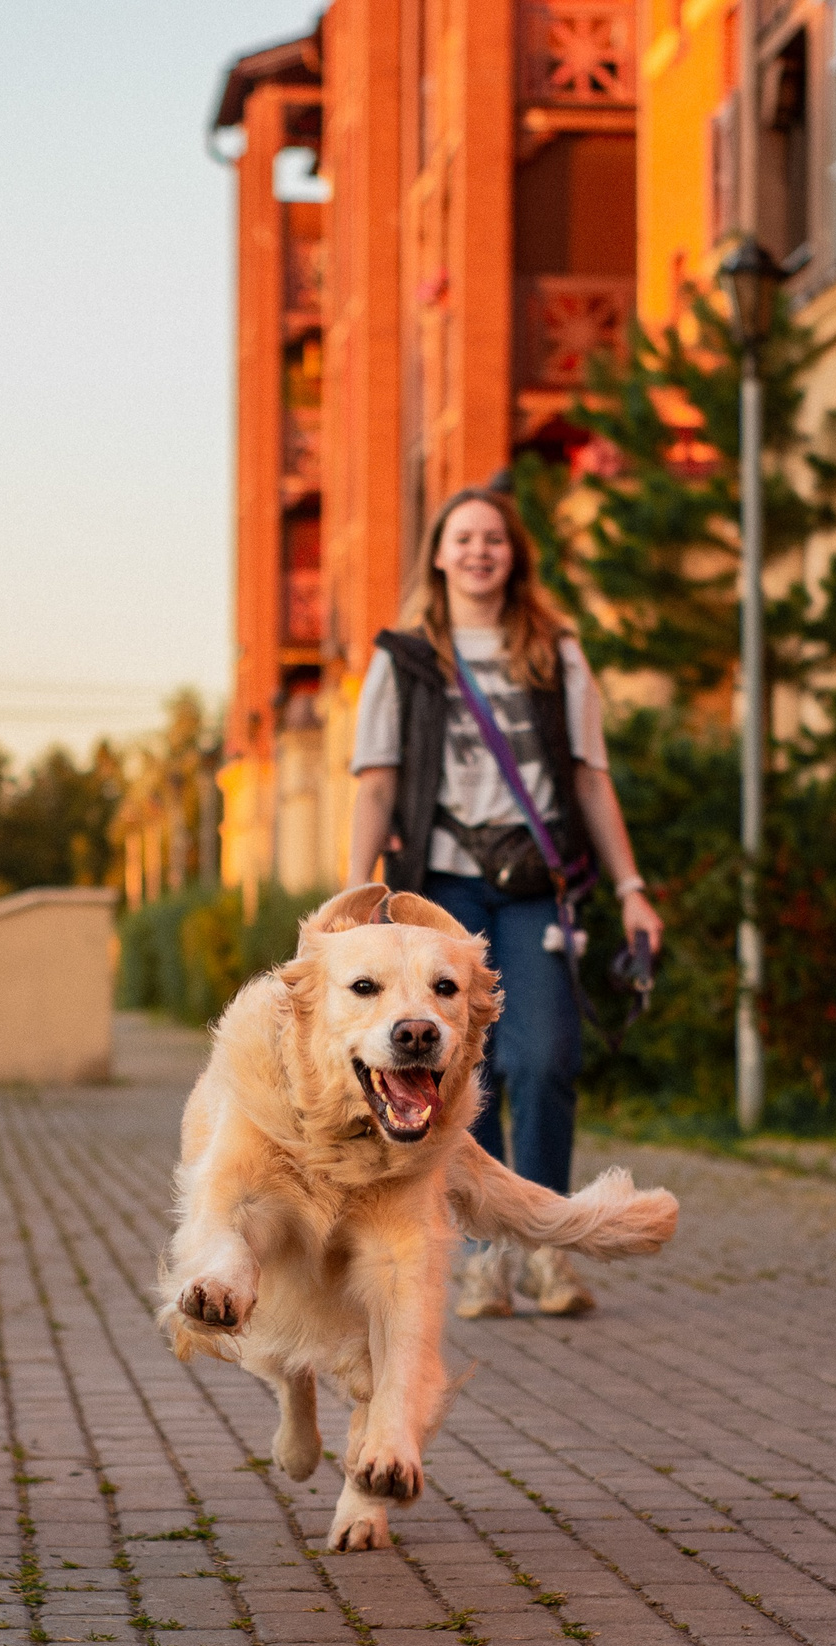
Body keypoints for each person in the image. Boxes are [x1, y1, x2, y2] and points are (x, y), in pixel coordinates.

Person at [346, 486, 664, 1320]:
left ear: (514, 554)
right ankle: (484, 1257)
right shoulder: (403, 657)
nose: (480, 550)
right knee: (457, 1071)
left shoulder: (555, 653)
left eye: (495, 538)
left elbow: (591, 777)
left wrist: (631, 888)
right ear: (440, 556)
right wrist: (358, 900)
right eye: (464, 538)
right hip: (440, 889)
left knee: (547, 1058)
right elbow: (376, 780)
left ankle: (547, 1251)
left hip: (536, 888)